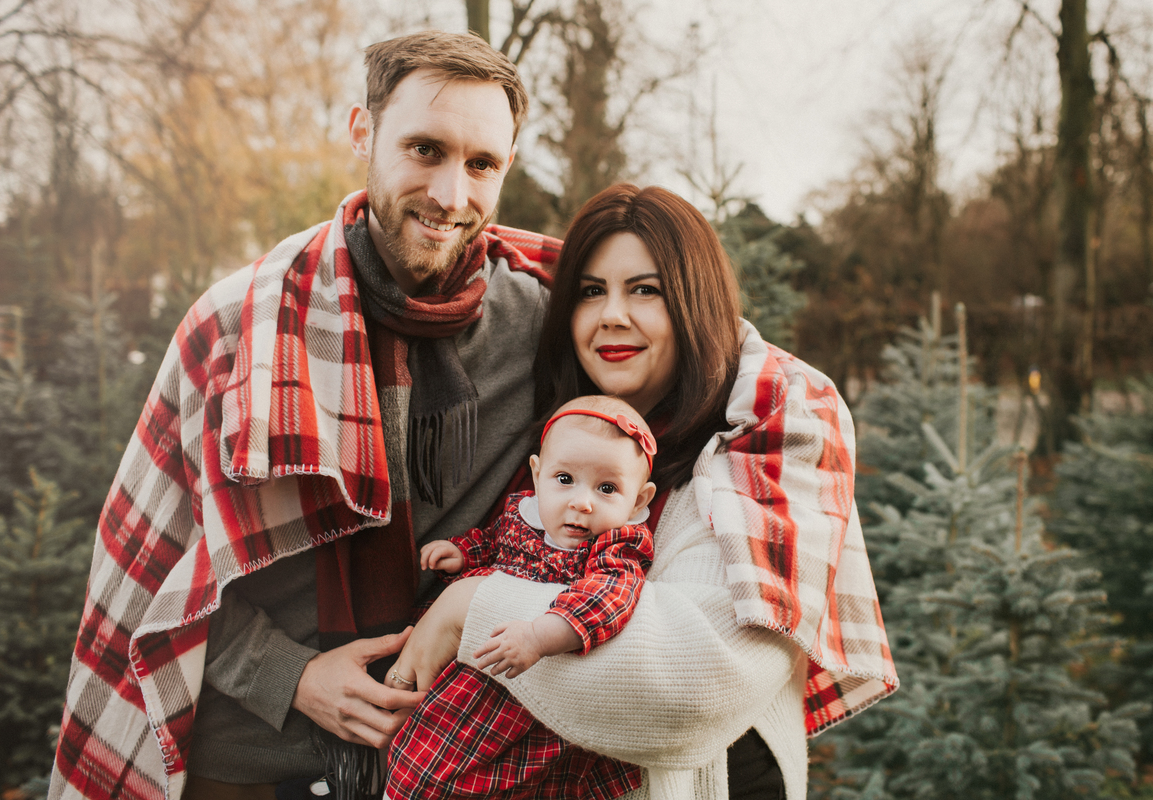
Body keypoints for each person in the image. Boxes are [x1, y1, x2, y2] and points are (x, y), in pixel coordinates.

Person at [49, 31, 561, 800]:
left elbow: (701, 354)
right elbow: (153, 574)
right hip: (250, 759)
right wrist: (291, 676)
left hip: (448, 761)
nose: (452, 195)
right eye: (424, 149)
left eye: (481, 164)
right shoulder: (239, 328)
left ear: (507, 166)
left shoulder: (545, 325)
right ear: (363, 131)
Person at [390, 184, 900, 800]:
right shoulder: (569, 430)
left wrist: (468, 609)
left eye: (645, 290)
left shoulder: (768, 428)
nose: (611, 315)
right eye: (590, 291)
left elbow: (697, 685)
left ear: (693, 301)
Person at [386, 396, 658, 800]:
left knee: (474, 777)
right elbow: (496, 542)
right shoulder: (524, 513)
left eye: (607, 488)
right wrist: (463, 552)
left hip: (520, 690)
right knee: (415, 754)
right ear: (537, 473)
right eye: (564, 479)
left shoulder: (617, 546)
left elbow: (609, 597)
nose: (581, 502)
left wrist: (538, 636)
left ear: (638, 500)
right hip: (467, 664)